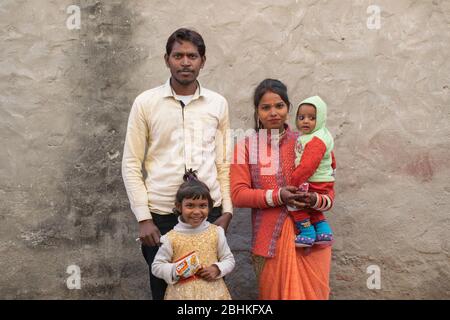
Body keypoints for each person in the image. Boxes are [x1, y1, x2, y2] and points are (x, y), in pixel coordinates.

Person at [121, 28, 233, 300]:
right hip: (161, 217)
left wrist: (227, 210)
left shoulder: (217, 103)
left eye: (192, 56)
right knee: (166, 290)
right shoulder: (146, 103)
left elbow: (224, 162)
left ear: (202, 61)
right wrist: (144, 218)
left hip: (208, 213)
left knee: (208, 289)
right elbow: (131, 163)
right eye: (178, 55)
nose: (185, 62)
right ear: (166, 59)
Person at [230, 79, 334, 300]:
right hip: (270, 243)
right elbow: (238, 195)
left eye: (279, 106)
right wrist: (279, 196)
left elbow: (328, 188)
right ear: (257, 112)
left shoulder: (309, 142)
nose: (273, 113)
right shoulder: (245, 147)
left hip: (312, 241)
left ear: (288, 108)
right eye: (265, 107)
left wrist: (313, 200)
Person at [151, 169, 235, 300]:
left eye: (202, 206)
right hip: (180, 295)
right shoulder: (170, 238)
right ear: (179, 207)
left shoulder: (216, 232)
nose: (197, 211)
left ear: (209, 207)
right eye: (190, 206)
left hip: (214, 294)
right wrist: (176, 270)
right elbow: (156, 266)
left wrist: (217, 269)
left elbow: (229, 260)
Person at [289, 96, 336, 247]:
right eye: (301, 117)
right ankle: (324, 232)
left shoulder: (315, 141)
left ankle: (307, 233)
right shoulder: (322, 135)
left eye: (312, 117)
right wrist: (331, 173)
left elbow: (307, 166)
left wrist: (293, 182)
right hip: (323, 180)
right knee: (313, 208)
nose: (306, 121)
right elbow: (331, 159)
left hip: (313, 180)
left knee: (295, 204)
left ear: (321, 118)